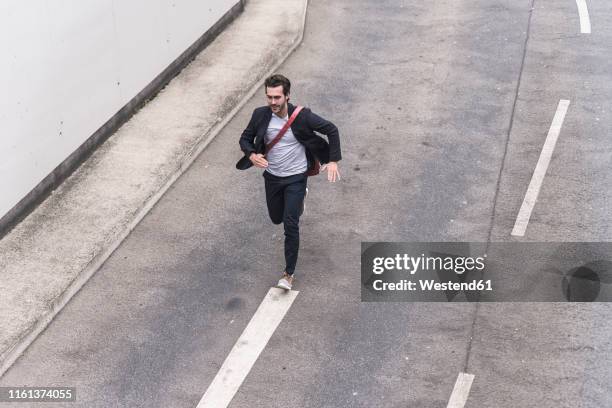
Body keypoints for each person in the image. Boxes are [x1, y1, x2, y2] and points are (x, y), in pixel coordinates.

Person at [236, 74, 341, 290]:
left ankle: (288, 274)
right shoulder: (260, 115)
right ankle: (298, 202)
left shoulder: (303, 117)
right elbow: (245, 138)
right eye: (269, 97)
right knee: (277, 218)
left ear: (287, 96)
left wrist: (332, 160)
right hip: (273, 177)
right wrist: (251, 155)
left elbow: (331, 129)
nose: (273, 102)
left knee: (290, 224)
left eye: (277, 97)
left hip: (296, 177)